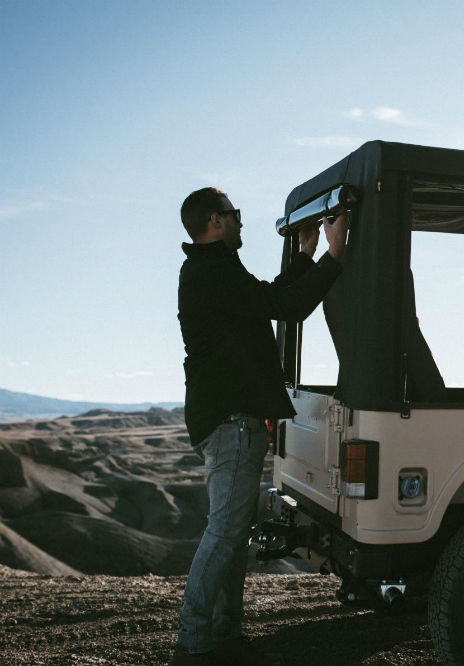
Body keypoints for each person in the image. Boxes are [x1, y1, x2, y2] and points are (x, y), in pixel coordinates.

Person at [171, 187, 347, 666]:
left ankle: (224, 636)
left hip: (233, 421)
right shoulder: (210, 271)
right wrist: (334, 254)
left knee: (231, 534)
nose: (242, 222)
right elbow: (285, 306)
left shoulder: (214, 270)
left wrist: (307, 255)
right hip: (232, 423)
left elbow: (268, 298)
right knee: (225, 534)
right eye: (235, 215)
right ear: (214, 220)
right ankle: (192, 646)